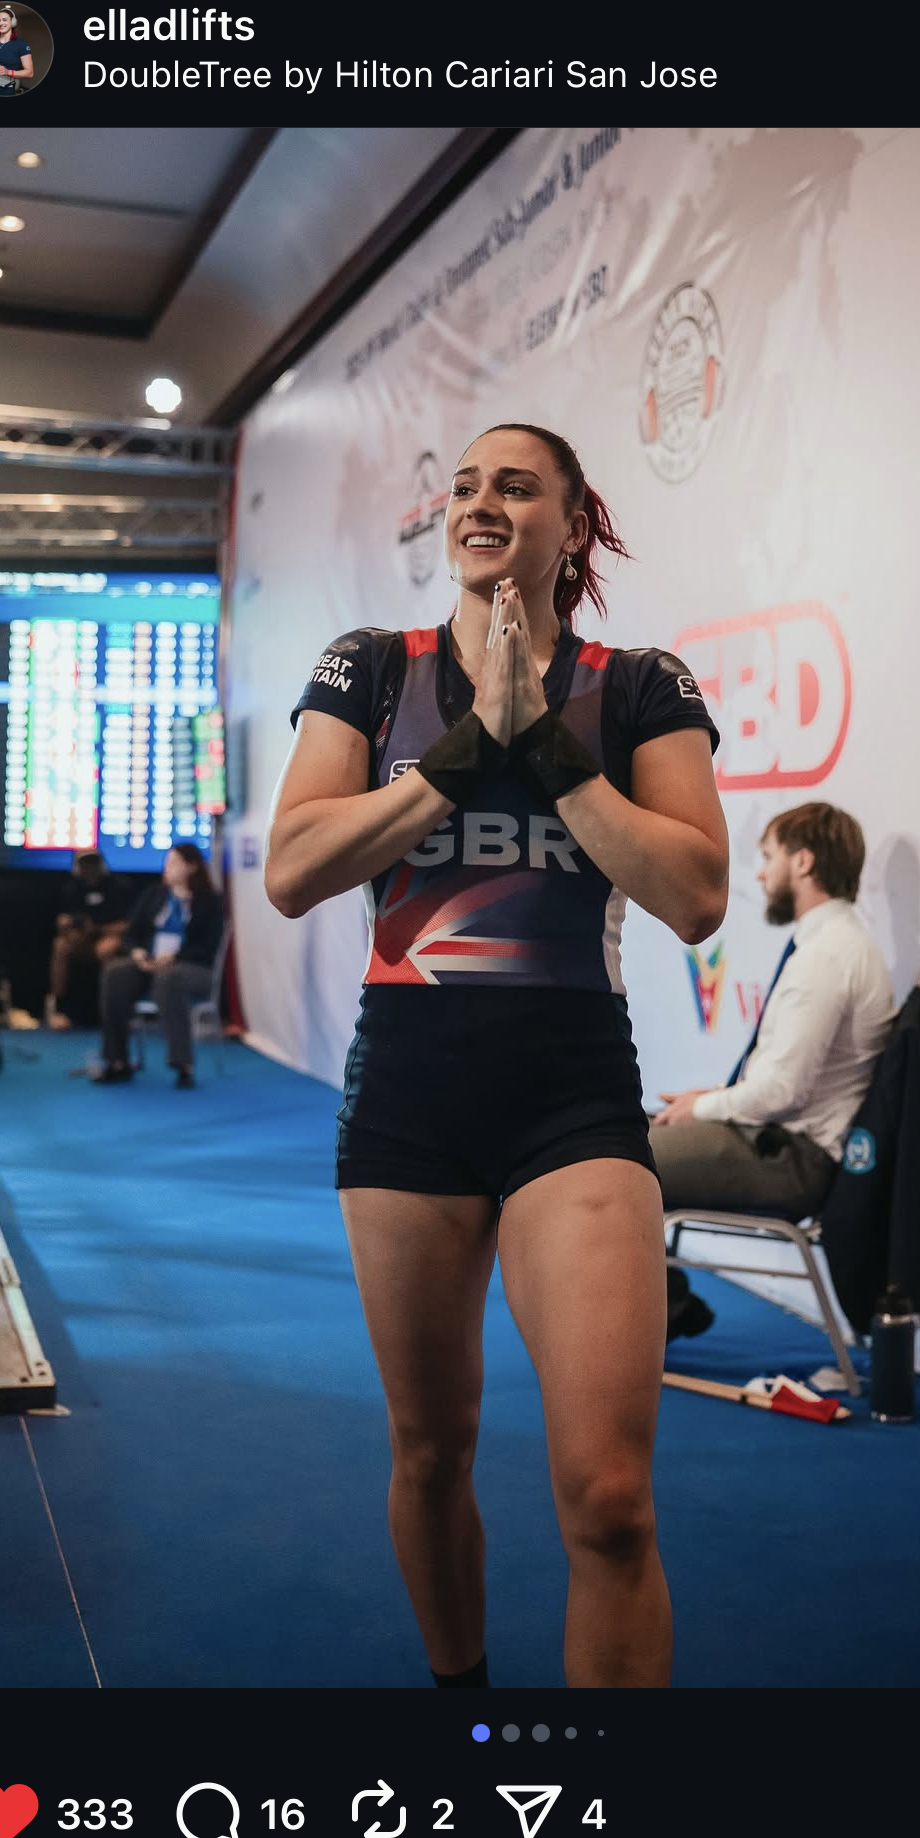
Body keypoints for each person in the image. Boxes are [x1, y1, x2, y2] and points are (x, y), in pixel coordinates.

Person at [265, 421, 728, 1689]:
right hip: (409, 1096)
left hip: (572, 1096)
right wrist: (464, 761)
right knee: (431, 1451)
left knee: (613, 1498)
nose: (481, 502)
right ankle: (461, 1701)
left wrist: (550, 751)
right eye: (465, 485)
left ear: (572, 526)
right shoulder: (373, 668)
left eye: (516, 486)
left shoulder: (637, 684)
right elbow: (296, 869)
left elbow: (696, 895)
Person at [652, 804, 893, 1337]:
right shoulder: (827, 945)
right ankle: (664, 1307)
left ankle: (657, 1313)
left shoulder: (827, 957)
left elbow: (783, 1091)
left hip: (793, 1159)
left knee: (625, 1160)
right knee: (618, 1138)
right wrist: (711, 1097)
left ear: (803, 862)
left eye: (768, 857)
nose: (759, 872)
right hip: (779, 1138)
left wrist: (707, 1105)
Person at [90, 842, 224, 1088]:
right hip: (150, 964)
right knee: (115, 973)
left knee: (169, 978)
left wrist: (175, 957)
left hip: (191, 968)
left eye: (174, 863)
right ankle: (117, 1060)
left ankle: (182, 1064)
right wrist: (139, 953)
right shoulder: (154, 895)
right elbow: (131, 936)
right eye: (167, 862)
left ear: (191, 867)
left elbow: (207, 948)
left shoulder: (209, 902)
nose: (167, 868)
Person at [44, 849, 129, 1029]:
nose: (90, 868)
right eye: (85, 863)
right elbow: (61, 920)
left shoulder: (117, 887)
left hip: (107, 938)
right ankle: (57, 1008)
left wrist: (98, 928)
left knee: (108, 948)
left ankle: (111, 1011)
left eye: (93, 863)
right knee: (60, 945)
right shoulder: (71, 888)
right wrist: (70, 926)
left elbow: (127, 925)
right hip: (82, 942)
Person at [0, 7, 33, 96]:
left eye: (4, 20)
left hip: (6, 90)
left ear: (12, 22)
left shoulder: (21, 44)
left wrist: (8, 72)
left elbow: (29, 73)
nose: (1, 23)